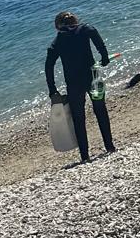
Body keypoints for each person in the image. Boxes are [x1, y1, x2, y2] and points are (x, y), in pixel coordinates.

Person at [45, 10, 116, 162]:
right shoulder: (86, 29)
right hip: (93, 77)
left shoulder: (58, 40)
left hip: (74, 83)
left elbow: (49, 65)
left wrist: (52, 89)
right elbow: (97, 40)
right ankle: (110, 147)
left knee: (78, 118)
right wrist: (104, 57)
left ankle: (85, 156)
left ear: (58, 27)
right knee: (101, 110)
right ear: (75, 20)